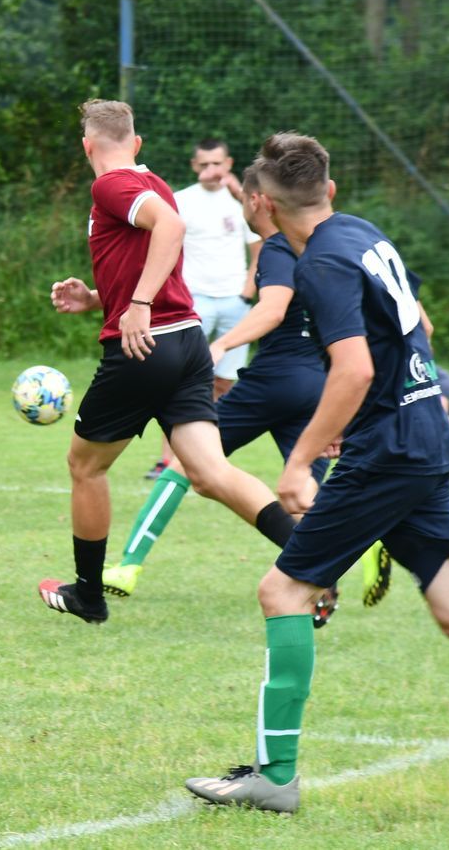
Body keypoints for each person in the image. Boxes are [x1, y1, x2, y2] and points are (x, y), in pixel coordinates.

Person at [185, 132, 449, 815]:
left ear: (261, 203)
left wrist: (300, 460)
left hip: (389, 451)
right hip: (422, 433)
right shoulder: (362, 232)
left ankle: (275, 776)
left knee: (283, 591)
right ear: (329, 190)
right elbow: (420, 332)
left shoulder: (320, 264)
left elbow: (353, 368)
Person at [36, 100, 304, 626]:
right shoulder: (151, 181)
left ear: (87, 147)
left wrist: (136, 306)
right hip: (186, 342)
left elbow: (171, 229)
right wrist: (98, 298)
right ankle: (314, 559)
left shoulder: (109, 185)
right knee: (209, 473)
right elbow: (152, 253)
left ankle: (88, 595)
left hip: (145, 348)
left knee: (85, 466)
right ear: (136, 143)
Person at [101, 165, 390, 612]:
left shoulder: (276, 248)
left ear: (257, 201)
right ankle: (346, 559)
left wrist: (222, 344)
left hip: (273, 381)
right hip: (319, 380)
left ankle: (128, 565)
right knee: (299, 495)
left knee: (186, 464)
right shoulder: (324, 247)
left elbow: (273, 309)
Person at [142, 139, 261, 480]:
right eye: (204, 164)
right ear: (195, 166)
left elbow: (259, 249)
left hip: (234, 302)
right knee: (178, 381)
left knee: (224, 383)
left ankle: (209, 460)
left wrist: (246, 293)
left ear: (229, 164)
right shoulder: (180, 201)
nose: (211, 170)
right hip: (193, 302)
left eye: (217, 164)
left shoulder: (242, 203)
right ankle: (167, 460)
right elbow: (163, 246)